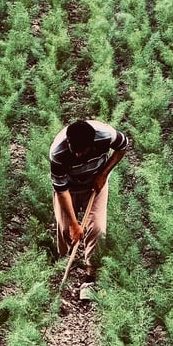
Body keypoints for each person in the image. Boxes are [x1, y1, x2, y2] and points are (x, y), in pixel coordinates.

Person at [50, 119, 130, 282]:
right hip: (69, 188)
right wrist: (74, 224)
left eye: (82, 151)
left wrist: (104, 173)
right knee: (65, 228)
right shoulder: (57, 152)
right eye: (74, 150)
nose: (78, 155)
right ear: (68, 141)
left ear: (92, 144)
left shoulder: (106, 135)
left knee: (97, 228)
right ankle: (64, 259)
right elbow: (62, 191)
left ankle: (90, 273)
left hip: (95, 184)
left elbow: (123, 146)